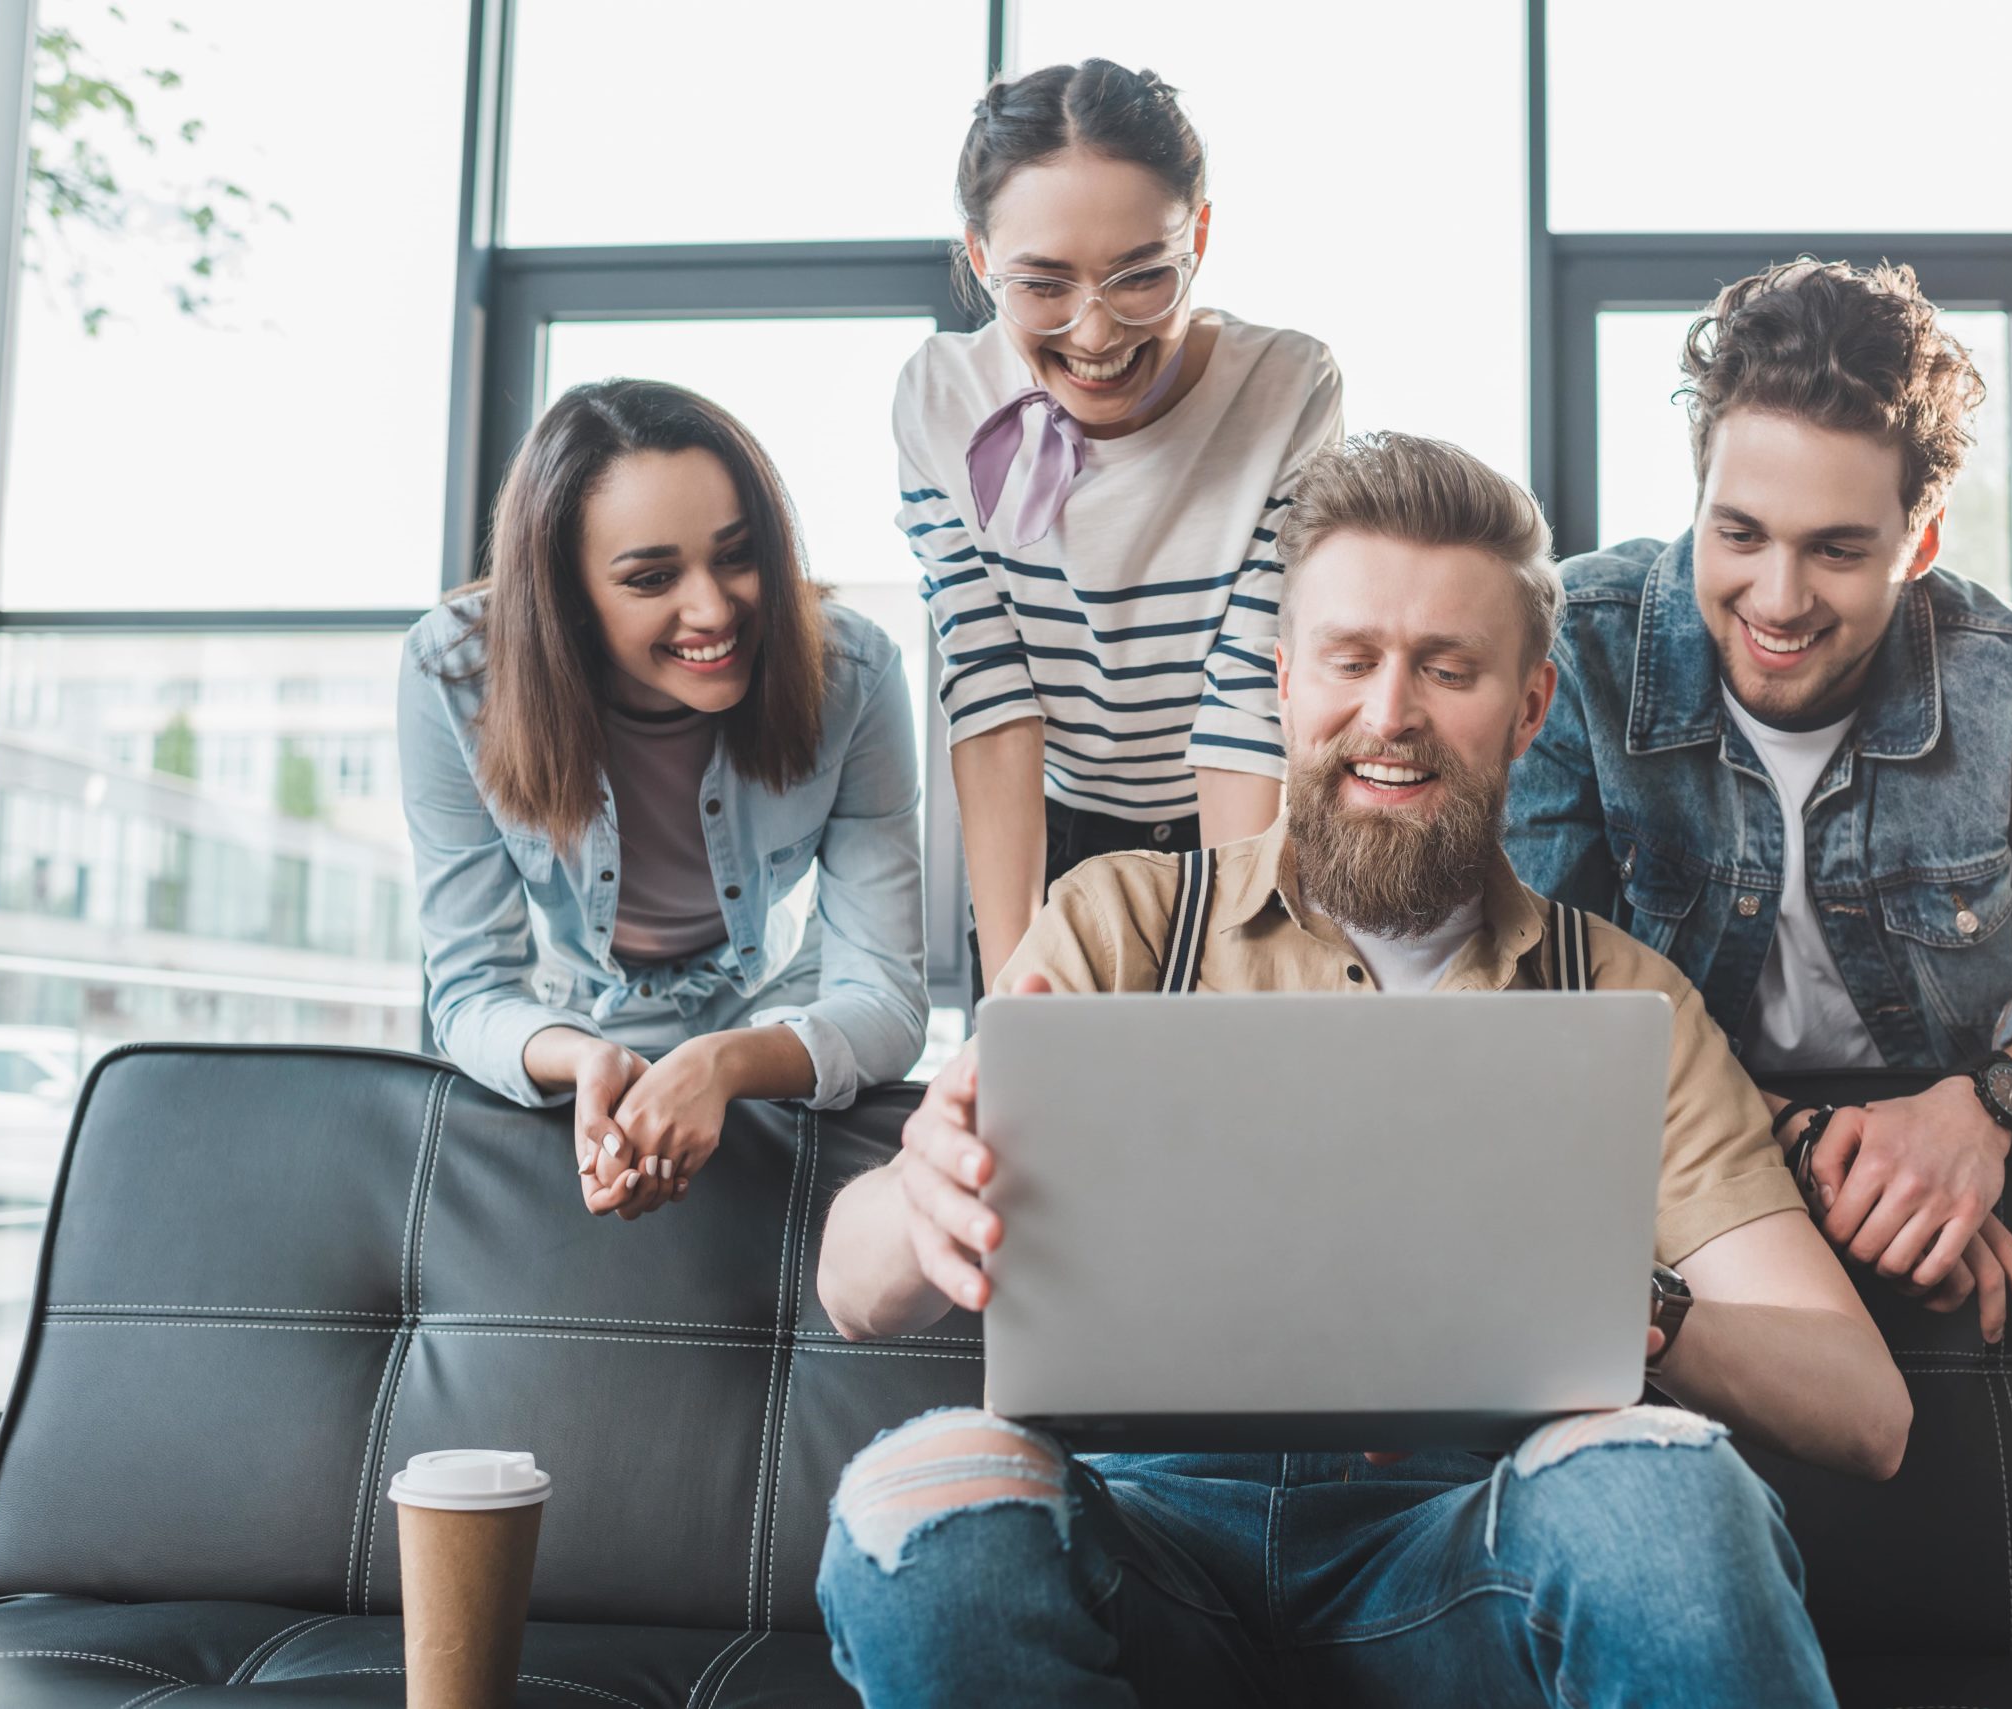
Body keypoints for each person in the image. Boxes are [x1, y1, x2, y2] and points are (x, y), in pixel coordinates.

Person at [812, 434, 1908, 1708]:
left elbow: (1862, 1409)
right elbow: (852, 1284)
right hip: (1139, 1544)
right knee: (918, 1497)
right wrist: (924, 1193)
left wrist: (1630, 1303)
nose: (1389, 714)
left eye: (1447, 669)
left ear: (1531, 704)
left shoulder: (1622, 999)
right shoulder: (1116, 923)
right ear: (1284, 681)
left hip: (1464, 1557)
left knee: (1667, 1490)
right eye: (1350, 660)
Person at [1506, 259, 2012, 1339]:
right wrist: (1815, 1152)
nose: (1777, 599)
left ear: (1918, 542)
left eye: (1836, 550)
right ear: (1696, 500)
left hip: (1947, 1177)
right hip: (1661, 1167)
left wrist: (1984, 1114)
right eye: (1737, 534)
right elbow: (1539, 1001)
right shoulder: (1574, 653)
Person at [400, 379, 928, 1220]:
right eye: (651, 578)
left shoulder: (852, 675)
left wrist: (722, 1064)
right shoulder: (457, 676)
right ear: (567, 594)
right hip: (571, 1020)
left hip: (775, 1010)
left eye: (737, 554)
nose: (713, 609)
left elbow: (886, 1001)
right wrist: (581, 1061)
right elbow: (471, 991)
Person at [895, 60, 1343, 989]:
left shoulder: (1286, 390)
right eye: (1044, 284)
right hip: (1052, 830)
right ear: (981, 259)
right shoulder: (942, 400)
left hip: (1237, 825)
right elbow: (991, 690)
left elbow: (1246, 698)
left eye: (1141, 277)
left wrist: (1235, 955)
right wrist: (1013, 972)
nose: (1095, 335)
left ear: (1201, 236)